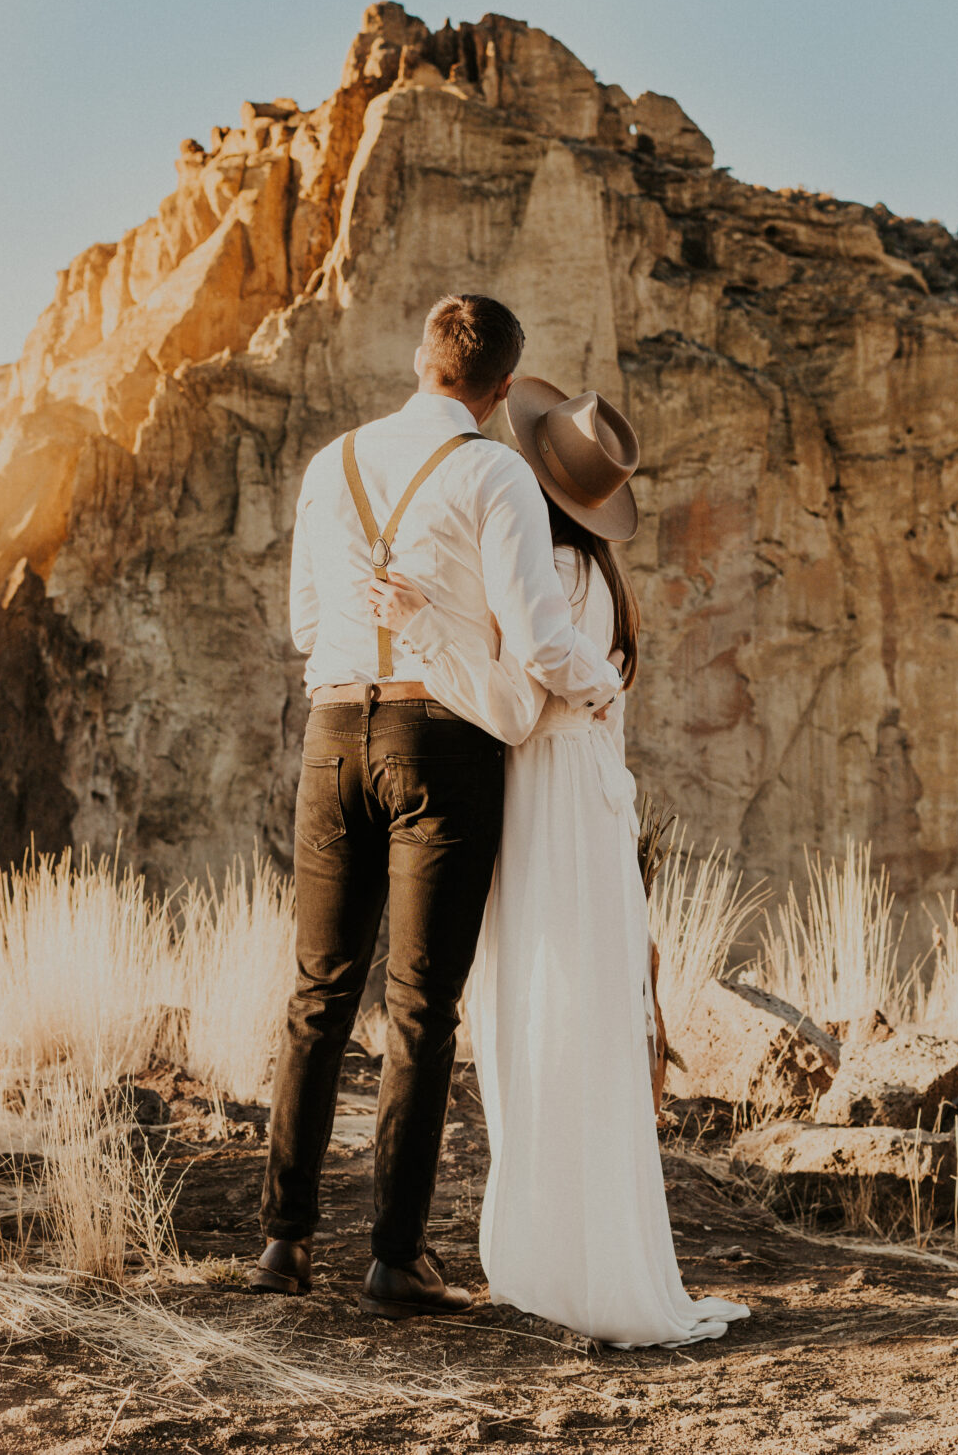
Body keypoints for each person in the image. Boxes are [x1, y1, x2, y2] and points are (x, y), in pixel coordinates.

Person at [249, 295, 624, 1319]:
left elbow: (302, 622)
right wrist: (604, 685)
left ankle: (283, 1243)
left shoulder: (330, 464)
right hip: (441, 741)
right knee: (420, 1006)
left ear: (421, 356)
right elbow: (540, 637)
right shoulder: (495, 469)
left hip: (331, 732)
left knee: (317, 997)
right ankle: (395, 1258)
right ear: (503, 391)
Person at [371, 377, 749, 1348]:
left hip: (546, 799)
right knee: (574, 1020)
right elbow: (577, 682)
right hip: (580, 799)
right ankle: (583, 1258)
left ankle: (557, 1266)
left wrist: (420, 623)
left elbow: (514, 696)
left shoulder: (544, 570)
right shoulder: (597, 577)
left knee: (540, 1016)